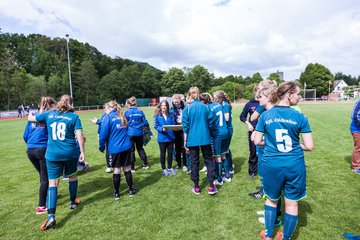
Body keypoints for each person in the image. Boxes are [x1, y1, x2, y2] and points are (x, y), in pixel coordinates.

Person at [254, 81, 314, 240]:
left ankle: (267, 235)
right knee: (292, 203)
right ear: (289, 95)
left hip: (272, 164)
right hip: (294, 165)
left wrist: (273, 142)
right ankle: (285, 238)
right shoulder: (300, 117)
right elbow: (309, 146)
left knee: (272, 199)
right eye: (298, 94)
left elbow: (256, 140)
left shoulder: (266, 115)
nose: (300, 97)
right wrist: (295, 145)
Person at [28, 94, 85, 231]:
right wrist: (82, 151)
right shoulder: (74, 117)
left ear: (59, 102)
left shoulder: (49, 114)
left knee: (52, 183)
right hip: (70, 153)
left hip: (52, 154)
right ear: (70, 104)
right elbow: (80, 135)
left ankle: (51, 216)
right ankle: (72, 202)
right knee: (72, 176)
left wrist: (33, 113)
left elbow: (32, 119)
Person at [23, 96, 56, 215]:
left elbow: (25, 136)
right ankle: (41, 206)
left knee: (42, 175)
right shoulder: (49, 117)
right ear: (51, 105)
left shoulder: (33, 116)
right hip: (42, 150)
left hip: (30, 150)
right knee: (45, 178)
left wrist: (32, 145)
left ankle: (49, 193)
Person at [99, 100, 138, 200]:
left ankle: (117, 193)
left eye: (106, 108)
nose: (105, 110)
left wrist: (101, 146)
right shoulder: (122, 116)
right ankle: (131, 190)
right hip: (126, 146)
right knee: (127, 168)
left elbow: (103, 134)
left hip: (115, 148)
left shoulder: (108, 118)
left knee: (117, 170)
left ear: (110, 108)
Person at [182, 87, 218, 195]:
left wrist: (185, 141)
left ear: (189, 95)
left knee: (194, 162)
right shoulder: (206, 107)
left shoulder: (187, 109)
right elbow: (211, 122)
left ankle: (197, 187)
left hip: (192, 139)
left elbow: (185, 127)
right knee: (209, 161)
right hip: (205, 138)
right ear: (198, 94)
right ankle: (211, 186)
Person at [199, 93, 228, 186]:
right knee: (223, 154)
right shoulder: (218, 104)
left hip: (217, 133)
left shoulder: (208, 108)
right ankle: (227, 175)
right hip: (225, 130)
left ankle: (219, 179)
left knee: (216, 157)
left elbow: (210, 122)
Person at [124, 96, 150, 172]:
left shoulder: (126, 112)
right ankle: (145, 164)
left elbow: (125, 123)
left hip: (130, 133)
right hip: (139, 133)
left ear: (128, 104)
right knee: (140, 148)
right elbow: (145, 122)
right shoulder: (140, 112)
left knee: (131, 150)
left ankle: (132, 168)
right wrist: (148, 131)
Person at [240, 86, 259, 179]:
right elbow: (242, 116)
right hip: (253, 131)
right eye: (258, 91)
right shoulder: (249, 103)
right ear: (254, 92)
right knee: (253, 152)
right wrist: (248, 123)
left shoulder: (266, 103)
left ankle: (265, 171)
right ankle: (252, 171)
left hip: (265, 131)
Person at [213, 90, 233, 182]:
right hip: (225, 129)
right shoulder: (222, 104)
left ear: (220, 98)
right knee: (223, 153)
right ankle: (227, 173)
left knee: (221, 153)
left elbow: (227, 118)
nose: (214, 100)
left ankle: (223, 174)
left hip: (226, 130)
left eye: (215, 98)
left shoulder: (225, 105)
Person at [154, 100, 177, 176]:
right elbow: (156, 126)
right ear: (160, 106)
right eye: (162, 105)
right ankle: (164, 168)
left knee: (170, 154)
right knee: (162, 154)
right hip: (162, 138)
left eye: (165, 105)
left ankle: (170, 167)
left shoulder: (171, 115)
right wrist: (161, 129)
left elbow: (173, 124)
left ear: (167, 107)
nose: (163, 107)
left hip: (170, 138)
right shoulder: (158, 115)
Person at [91, 103, 112, 173]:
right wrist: (98, 132)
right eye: (104, 108)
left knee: (112, 151)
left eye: (105, 107)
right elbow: (102, 123)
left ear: (110, 108)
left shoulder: (114, 115)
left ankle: (116, 166)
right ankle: (109, 166)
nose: (104, 109)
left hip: (111, 136)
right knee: (108, 151)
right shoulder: (104, 115)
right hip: (107, 136)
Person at [170, 94, 187, 171]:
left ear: (180, 100)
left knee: (184, 147)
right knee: (177, 148)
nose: (176, 103)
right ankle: (179, 164)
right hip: (175, 130)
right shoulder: (171, 109)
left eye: (177, 102)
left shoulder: (185, 107)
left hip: (184, 129)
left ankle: (184, 164)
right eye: (175, 102)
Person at [350, 100, 360, 174]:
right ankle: (356, 167)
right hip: (357, 129)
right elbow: (354, 115)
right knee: (358, 148)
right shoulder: (359, 102)